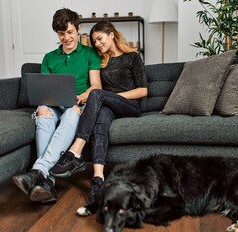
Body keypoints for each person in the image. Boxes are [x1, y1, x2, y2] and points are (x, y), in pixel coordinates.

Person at [50, 20, 148, 204]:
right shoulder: (101, 60)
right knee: (100, 122)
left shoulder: (133, 57)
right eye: (94, 41)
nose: (97, 44)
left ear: (111, 34)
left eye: (100, 39)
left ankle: (75, 151)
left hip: (130, 106)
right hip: (107, 106)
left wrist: (113, 97)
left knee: (97, 94)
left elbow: (143, 91)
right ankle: (98, 179)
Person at [12, 8, 101, 203]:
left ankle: (40, 175)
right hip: (54, 104)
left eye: (70, 32)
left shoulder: (89, 54)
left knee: (72, 113)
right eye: (62, 34)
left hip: (77, 105)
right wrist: (43, 103)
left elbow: (96, 86)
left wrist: (82, 96)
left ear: (78, 29)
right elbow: (43, 90)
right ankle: (47, 183)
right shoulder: (49, 58)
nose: (67, 38)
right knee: (43, 111)